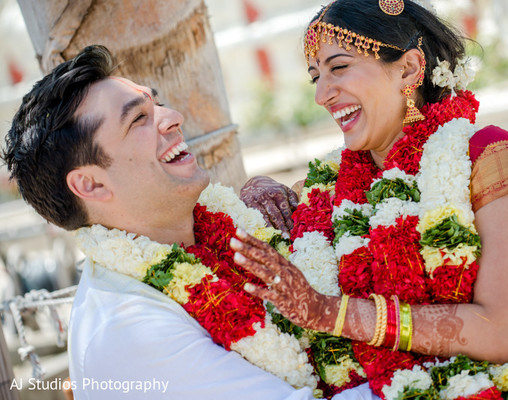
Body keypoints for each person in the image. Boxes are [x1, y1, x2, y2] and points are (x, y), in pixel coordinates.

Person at [231, 0, 508, 398]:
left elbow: (497, 332)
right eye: (315, 77)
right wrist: (255, 187)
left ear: (409, 69)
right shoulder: (323, 189)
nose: (322, 94)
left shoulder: (485, 156)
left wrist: (328, 313)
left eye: (339, 68)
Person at [1, 45, 377, 400]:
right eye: (138, 119)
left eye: (158, 103)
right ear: (92, 183)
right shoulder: (130, 331)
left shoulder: (219, 230)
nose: (173, 118)